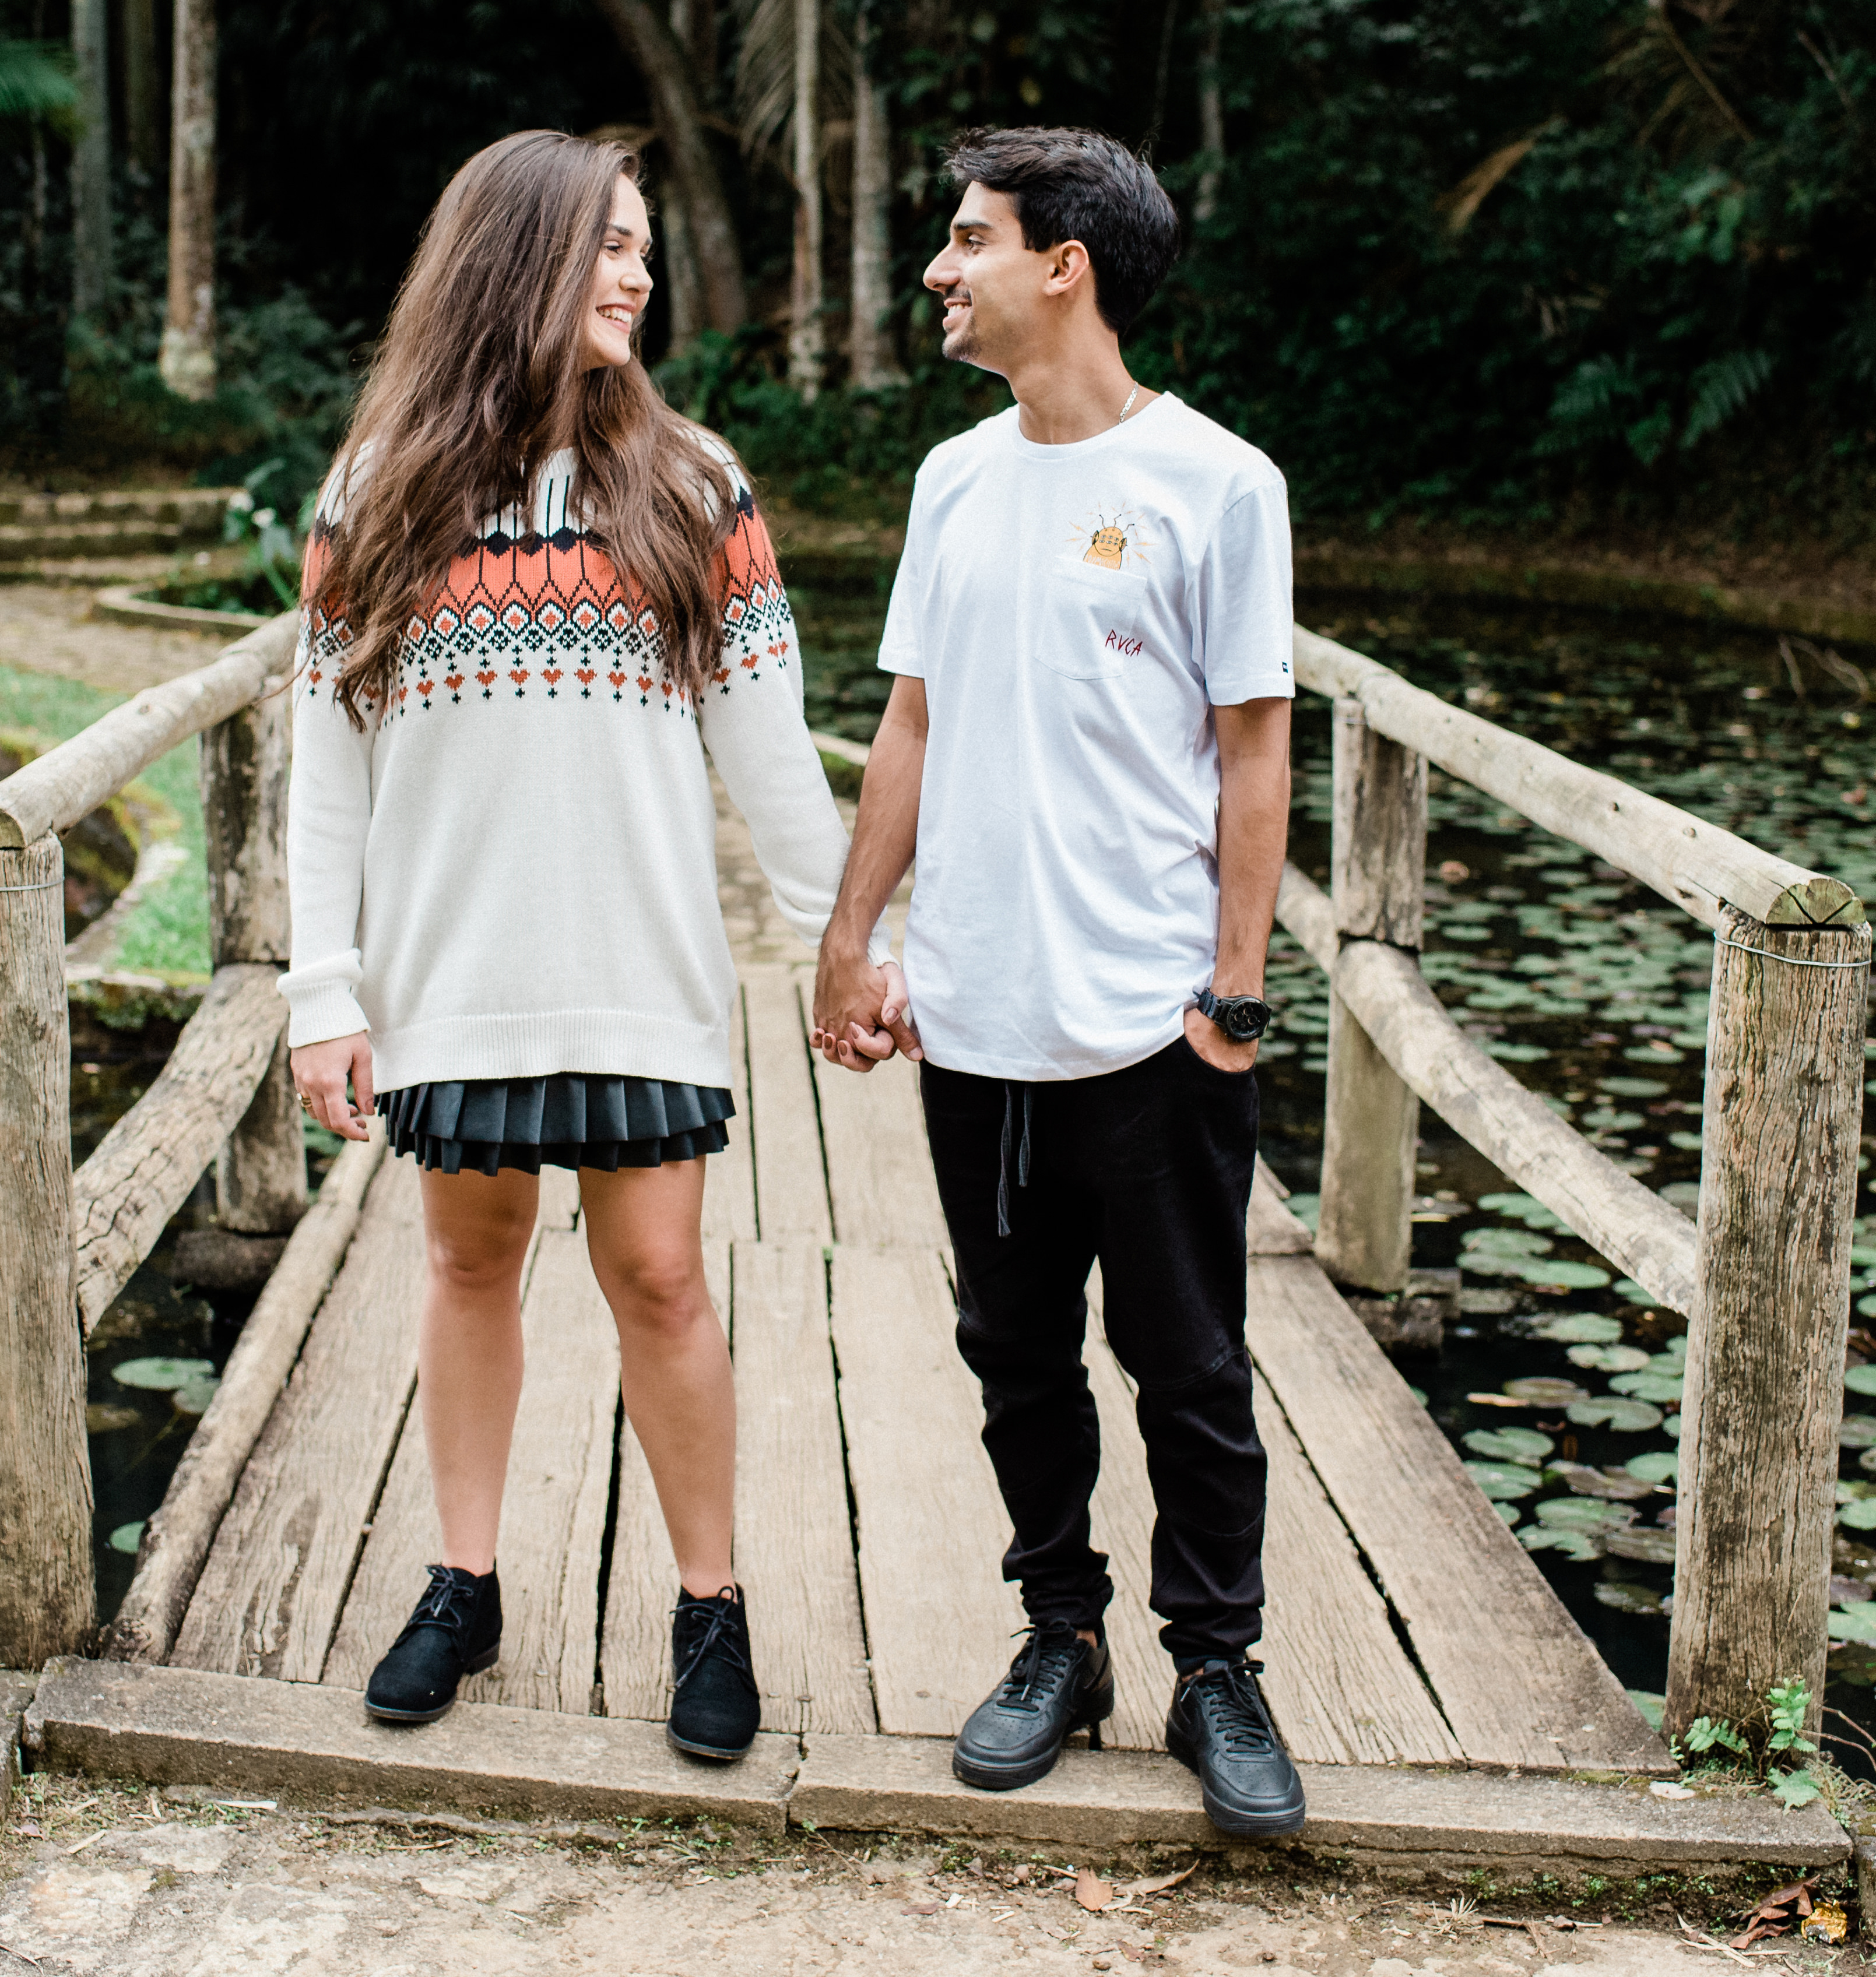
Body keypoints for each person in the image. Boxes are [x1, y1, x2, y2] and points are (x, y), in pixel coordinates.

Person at [283, 129, 850, 1764]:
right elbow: (329, 781)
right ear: (515, 259)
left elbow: (771, 756)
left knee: (659, 1277)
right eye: (609, 244)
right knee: (468, 1264)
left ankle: (710, 1603)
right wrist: (326, 993)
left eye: (644, 247)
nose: (638, 274)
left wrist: (848, 950)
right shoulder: (373, 497)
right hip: (451, 980)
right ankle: (465, 1583)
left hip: (641, 972)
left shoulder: (693, 486)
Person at [811, 127, 1304, 1836]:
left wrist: (1232, 993)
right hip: (980, 1016)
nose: (941, 271)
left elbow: (1255, 752)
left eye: (969, 239)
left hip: (1153, 1023)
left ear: (1065, 262)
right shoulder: (954, 482)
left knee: (1192, 1369)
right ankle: (1061, 1637)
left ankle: (1219, 1670)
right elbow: (914, 725)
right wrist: (850, 934)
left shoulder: (1218, 485)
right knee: (1014, 1354)